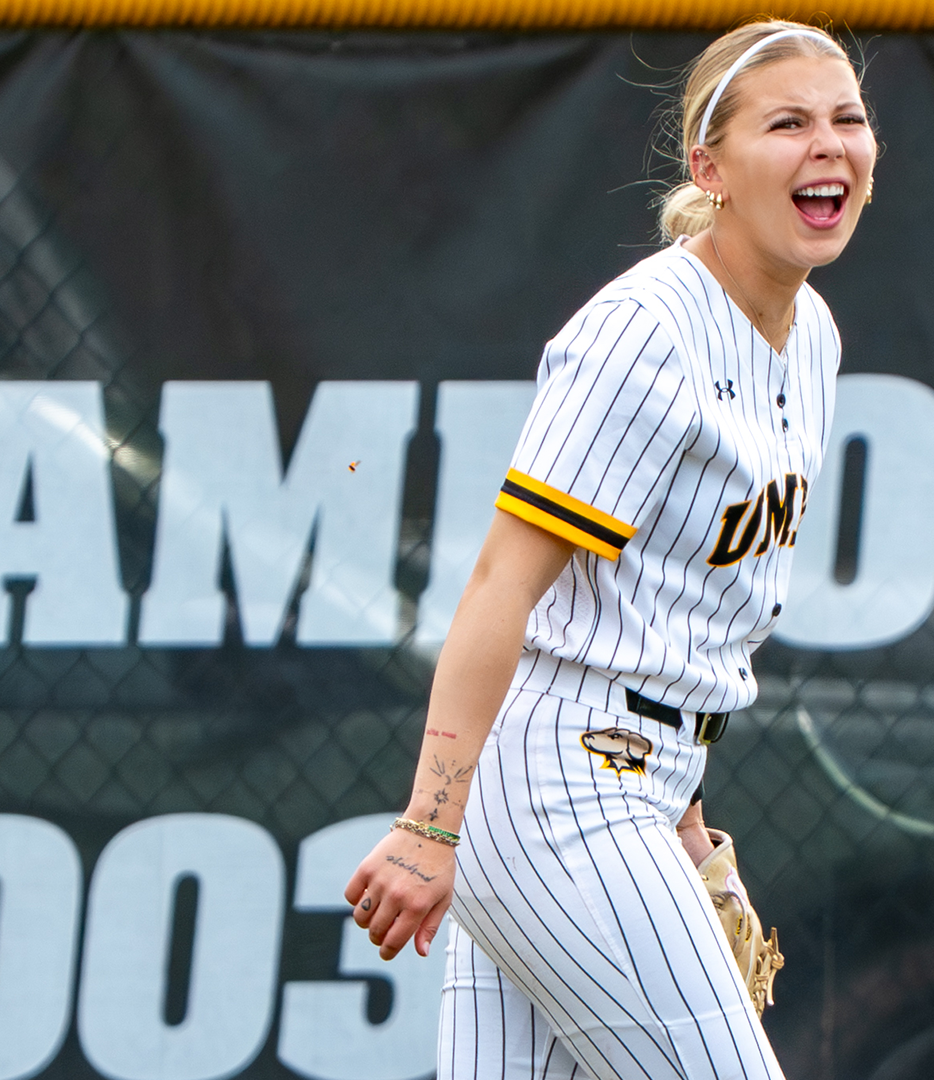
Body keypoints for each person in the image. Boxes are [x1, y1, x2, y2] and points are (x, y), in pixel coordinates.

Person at [344, 19, 875, 1080]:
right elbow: (504, 586)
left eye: (848, 119)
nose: (829, 145)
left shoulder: (810, 335)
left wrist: (682, 814)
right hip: (558, 793)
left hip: (632, 783)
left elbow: (677, 618)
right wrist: (427, 826)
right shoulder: (645, 331)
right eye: (789, 123)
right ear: (709, 167)